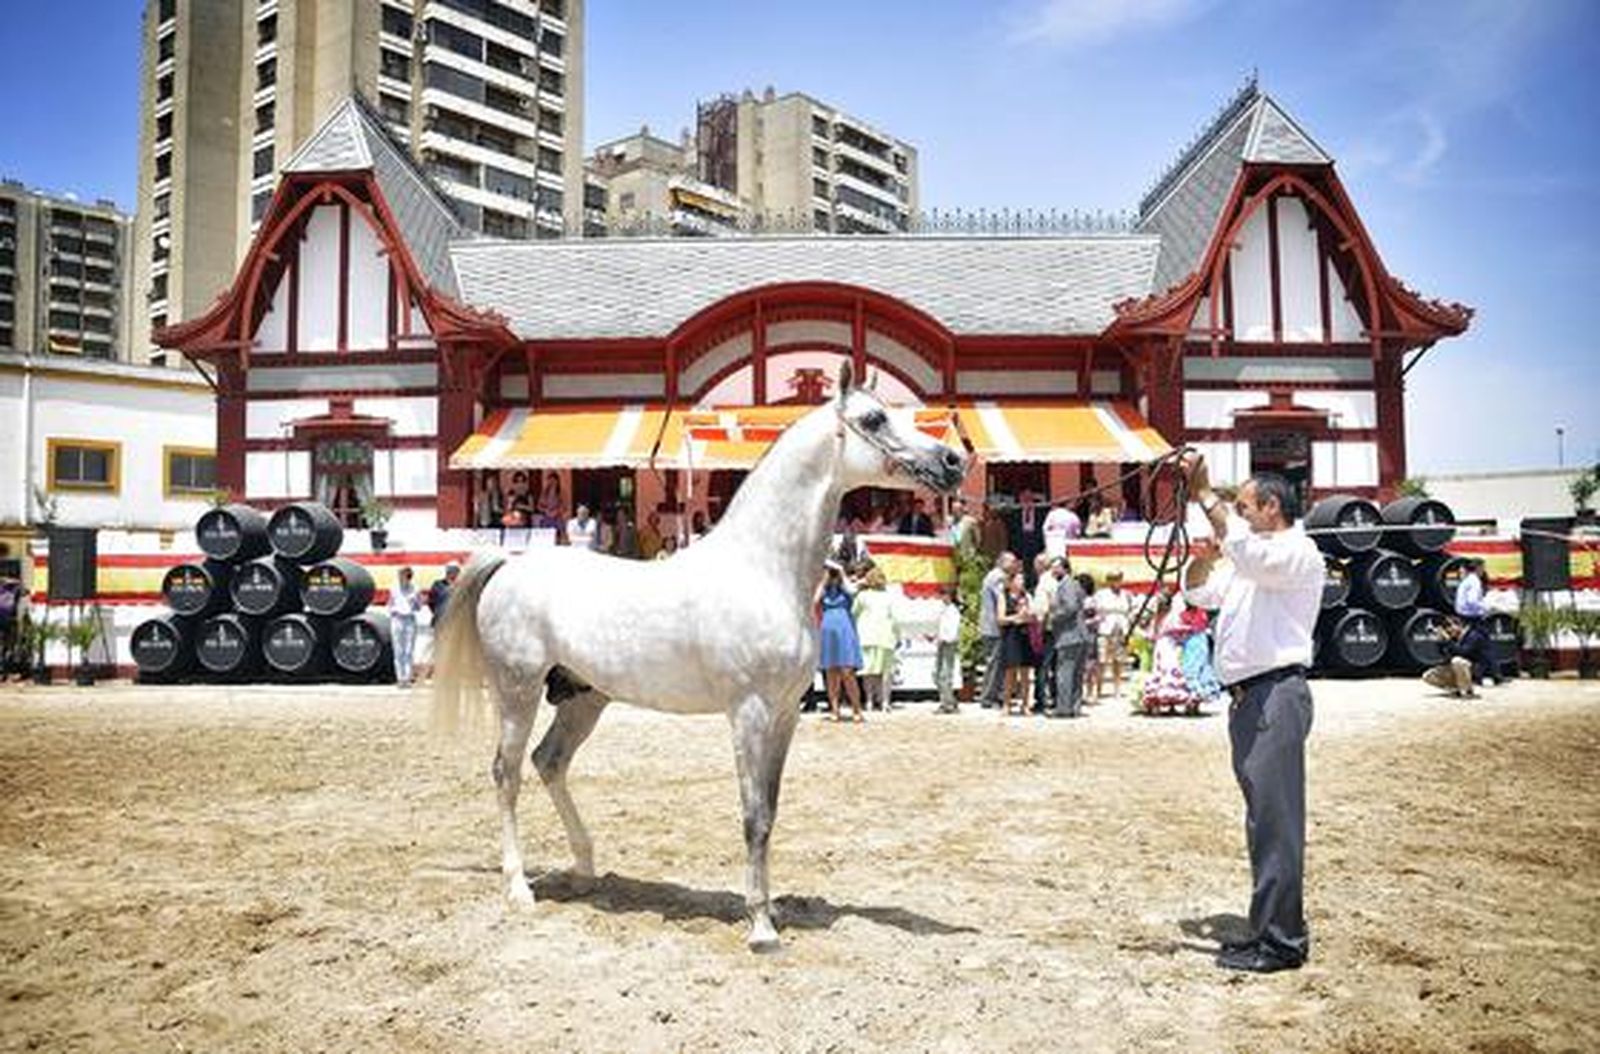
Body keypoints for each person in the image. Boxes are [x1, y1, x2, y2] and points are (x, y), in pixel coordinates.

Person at [1182, 452, 1325, 974]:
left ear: (1269, 508)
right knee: (1264, 820)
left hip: (1274, 695)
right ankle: (1267, 928)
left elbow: (1244, 553)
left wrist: (1205, 496)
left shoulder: (1296, 553)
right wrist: (1201, 554)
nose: (1237, 516)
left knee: (1276, 821)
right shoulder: (1251, 560)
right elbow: (1200, 590)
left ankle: (1283, 941)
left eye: (1244, 507)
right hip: (1250, 699)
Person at [815, 563, 864, 722]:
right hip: (828, 629)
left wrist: (841, 573)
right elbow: (815, 601)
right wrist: (824, 580)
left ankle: (856, 708)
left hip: (844, 628)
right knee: (830, 672)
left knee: (847, 671)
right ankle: (834, 709)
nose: (832, 576)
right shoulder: (824, 589)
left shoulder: (847, 587)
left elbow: (852, 590)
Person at [1048, 561, 1092, 717]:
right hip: (1079, 635)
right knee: (1076, 674)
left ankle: (1064, 708)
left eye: (1055, 567)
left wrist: (1053, 617)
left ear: (1064, 569)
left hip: (1069, 635)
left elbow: (1070, 607)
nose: (1052, 570)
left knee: (1065, 673)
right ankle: (1074, 707)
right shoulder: (1075, 584)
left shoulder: (1066, 584)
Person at [853, 567, 899, 712]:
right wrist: (898, 635)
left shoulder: (862, 596)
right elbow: (895, 618)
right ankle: (885, 702)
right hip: (886, 636)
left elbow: (854, 614)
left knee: (868, 672)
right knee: (886, 672)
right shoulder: (889, 596)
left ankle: (869, 701)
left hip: (866, 635)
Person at [977, 551, 1017, 709]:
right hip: (993, 626)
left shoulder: (994, 575)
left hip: (991, 625)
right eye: (1011, 561)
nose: (1014, 565)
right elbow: (1001, 599)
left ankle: (994, 695)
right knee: (994, 663)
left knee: (997, 663)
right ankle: (988, 697)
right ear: (1002, 562)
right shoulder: (998, 577)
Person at [1423, 617, 1493, 699]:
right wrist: (1441, 643)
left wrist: (1448, 641)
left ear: (1458, 625)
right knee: (1428, 675)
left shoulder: (1473, 635)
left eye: (1449, 626)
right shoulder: (1454, 638)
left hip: (1475, 669)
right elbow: (1446, 658)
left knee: (1458, 661)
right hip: (1459, 669)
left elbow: (1463, 652)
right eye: (1445, 628)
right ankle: (1457, 688)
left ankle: (1467, 691)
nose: (1448, 630)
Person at [998, 571, 1035, 716]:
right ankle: (1006, 704)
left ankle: (1025, 704)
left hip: (1025, 635)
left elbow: (1033, 616)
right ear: (1011, 582)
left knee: (1025, 672)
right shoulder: (1004, 596)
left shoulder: (1027, 596)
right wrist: (1015, 618)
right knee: (1010, 672)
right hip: (1010, 635)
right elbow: (1000, 619)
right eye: (1019, 579)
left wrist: (1028, 617)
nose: (1022, 582)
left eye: (1023, 580)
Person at [1092, 571, 1133, 699]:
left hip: (1121, 628)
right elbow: (1097, 609)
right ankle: (1098, 688)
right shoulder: (1101, 594)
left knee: (1118, 660)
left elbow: (1130, 610)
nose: (1116, 581)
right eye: (1113, 579)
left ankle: (1117, 688)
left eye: (1118, 579)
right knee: (1101, 660)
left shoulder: (1126, 595)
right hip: (1105, 628)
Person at [1031, 554, 1063, 713]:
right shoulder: (1054, 582)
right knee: (1053, 665)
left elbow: (1043, 609)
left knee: (1042, 666)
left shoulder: (1045, 582)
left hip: (1047, 628)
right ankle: (1054, 697)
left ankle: (1041, 699)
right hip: (1055, 628)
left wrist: (1039, 630)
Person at [387, 566, 423, 687]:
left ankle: (407, 678)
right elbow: (390, 604)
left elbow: (419, 606)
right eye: (400, 575)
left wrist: (414, 604)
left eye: (404, 576)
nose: (402, 578)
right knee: (398, 650)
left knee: (408, 650)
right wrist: (393, 612)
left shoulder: (416, 589)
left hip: (409, 619)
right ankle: (400, 678)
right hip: (397, 618)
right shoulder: (394, 588)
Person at [933, 586, 962, 714]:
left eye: (943, 594)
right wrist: (936, 637)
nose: (941, 597)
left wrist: (943, 638)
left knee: (945, 673)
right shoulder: (943, 609)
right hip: (942, 643)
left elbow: (953, 631)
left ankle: (947, 703)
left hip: (948, 644)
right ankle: (948, 700)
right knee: (938, 673)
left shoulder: (953, 610)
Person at [1076, 572, 1102, 703]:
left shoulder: (1091, 600)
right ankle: (1082, 692)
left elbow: (1098, 617)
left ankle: (1091, 692)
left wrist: (1086, 622)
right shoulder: (1077, 599)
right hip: (1081, 634)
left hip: (1089, 634)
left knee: (1091, 665)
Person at [0, 572, 22, 681]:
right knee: (5, 647)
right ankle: (3, 672)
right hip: (6, 621)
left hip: (9, 622)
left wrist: (6, 580)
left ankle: (5, 672)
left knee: (8, 648)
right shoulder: (9, 590)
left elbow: (21, 586)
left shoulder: (14, 590)